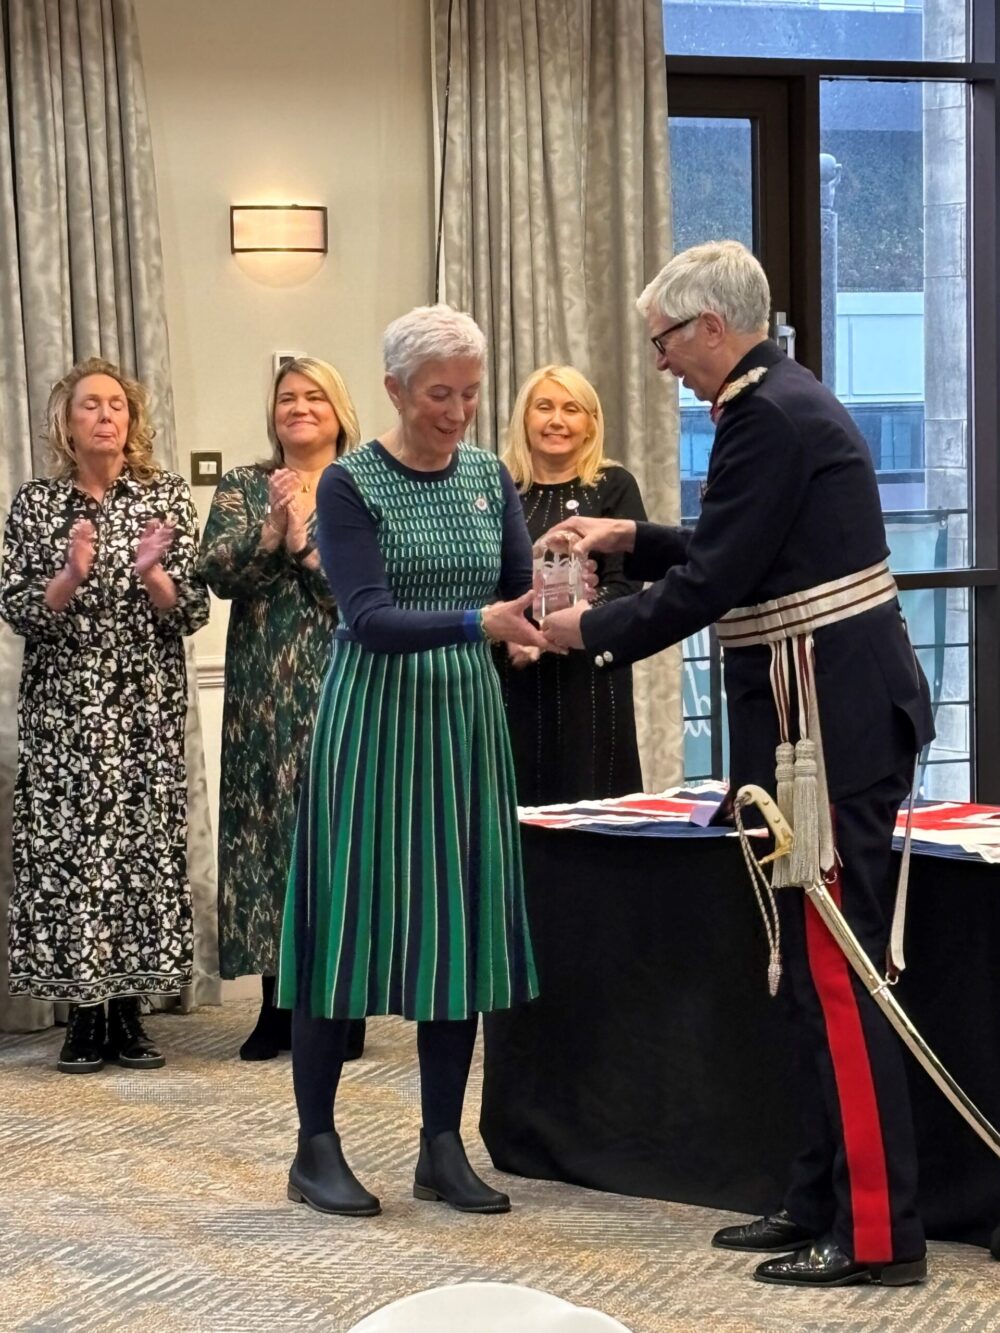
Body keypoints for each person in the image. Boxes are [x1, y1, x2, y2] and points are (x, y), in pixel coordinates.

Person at [540, 241, 934, 1288]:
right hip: (813, 720)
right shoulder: (778, 400)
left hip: (826, 729)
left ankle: (877, 1234)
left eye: (665, 340)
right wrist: (634, 535)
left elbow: (715, 581)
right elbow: (745, 548)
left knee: (839, 980)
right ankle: (818, 1194)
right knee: (807, 979)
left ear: (710, 326)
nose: (662, 361)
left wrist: (586, 630)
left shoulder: (767, 411)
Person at [276, 305, 544, 1218]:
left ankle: (441, 1143)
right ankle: (316, 1146)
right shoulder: (351, 486)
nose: (459, 410)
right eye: (440, 393)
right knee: (344, 925)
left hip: (463, 723)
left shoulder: (487, 475)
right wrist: (482, 625)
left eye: (470, 392)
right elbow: (368, 616)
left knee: (455, 931)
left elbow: (516, 588)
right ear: (393, 390)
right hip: (374, 721)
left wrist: (537, 623)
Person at [0, 357, 210, 1073]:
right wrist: (70, 575)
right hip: (64, 712)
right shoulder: (36, 504)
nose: (104, 415)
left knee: (135, 853)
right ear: (67, 421)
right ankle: (82, 1017)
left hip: (142, 707)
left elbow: (192, 608)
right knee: (73, 857)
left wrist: (152, 570)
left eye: (116, 404)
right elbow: (20, 608)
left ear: (132, 419)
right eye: (89, 405)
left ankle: (128, 1012)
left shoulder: (166, 499)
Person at [199, 357, 364, 1064]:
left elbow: (360, 592)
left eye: (313, 396)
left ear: (338, 410)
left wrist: (303, 540)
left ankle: (343, 1003)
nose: (298, 407)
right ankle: (276, 1004)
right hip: (263, 695)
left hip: (346, 683)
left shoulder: (366, 485)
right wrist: (271, 530)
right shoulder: (243, 485)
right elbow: (217, 573)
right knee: (267, 841)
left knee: (341, 834)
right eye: (287, 398)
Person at [498, 365, 646, 804]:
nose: (556, 420)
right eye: (544, 407)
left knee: (594, 822)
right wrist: (511, 632)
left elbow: (626, 587)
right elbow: (481, 580)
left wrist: (558, 628)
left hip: (590, 680)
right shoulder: (496, 483)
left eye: (571, 409)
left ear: (590, 425)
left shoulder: (613, 486)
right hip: (512, 676)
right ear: (524, 417)